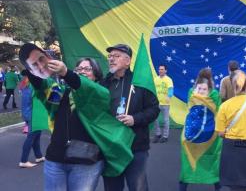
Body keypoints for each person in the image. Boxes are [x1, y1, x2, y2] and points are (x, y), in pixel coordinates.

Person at [19, 43, 135, 191]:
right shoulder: (62, 93)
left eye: (87, 69)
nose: (82, 71)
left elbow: (85, 87)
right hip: (55, 161)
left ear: (96, 73)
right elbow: (43, 86)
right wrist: (33, 69)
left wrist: (66, 72)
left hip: (85, 163)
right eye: (79, 69)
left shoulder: (100, 93)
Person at [102, 44, 160, 191]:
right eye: (110, 56)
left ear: (127, 62)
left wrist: (135, 119)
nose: (111, 59)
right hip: (111, 147)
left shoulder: (140, 82)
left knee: (138, 187)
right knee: (112, 187)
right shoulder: (103, 83)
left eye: (116, 56)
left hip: (135, 146)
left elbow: (154, 109)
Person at [179, 69, 222, 191]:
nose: (201, 92)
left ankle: (183, 186)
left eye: (204, 89)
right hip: (202, 134)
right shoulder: (213, 94)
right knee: (211, 160)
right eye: (200, 89)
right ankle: (216, 186)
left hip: (198, 135)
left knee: (191, 160)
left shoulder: (194, 92)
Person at [19, 70, 45, 168]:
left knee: (36, 135)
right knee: (31, 137)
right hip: (33, 115)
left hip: (30, 114)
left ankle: (39, 156)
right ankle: (23, 160)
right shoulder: (31, 86)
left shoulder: (25, 85)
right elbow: (32, 102)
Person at [152, 64, 174, 143]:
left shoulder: (168, 79)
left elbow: (171, 90)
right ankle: (158, 134)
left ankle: (165, 136)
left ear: (165, 70)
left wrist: (169, 96)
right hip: (156, 103)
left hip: (165, 104)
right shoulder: (156, 79)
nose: (160, 71)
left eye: (162, 69)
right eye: (159, 69)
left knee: (165, 120)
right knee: (154, 118)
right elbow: (153, 89)